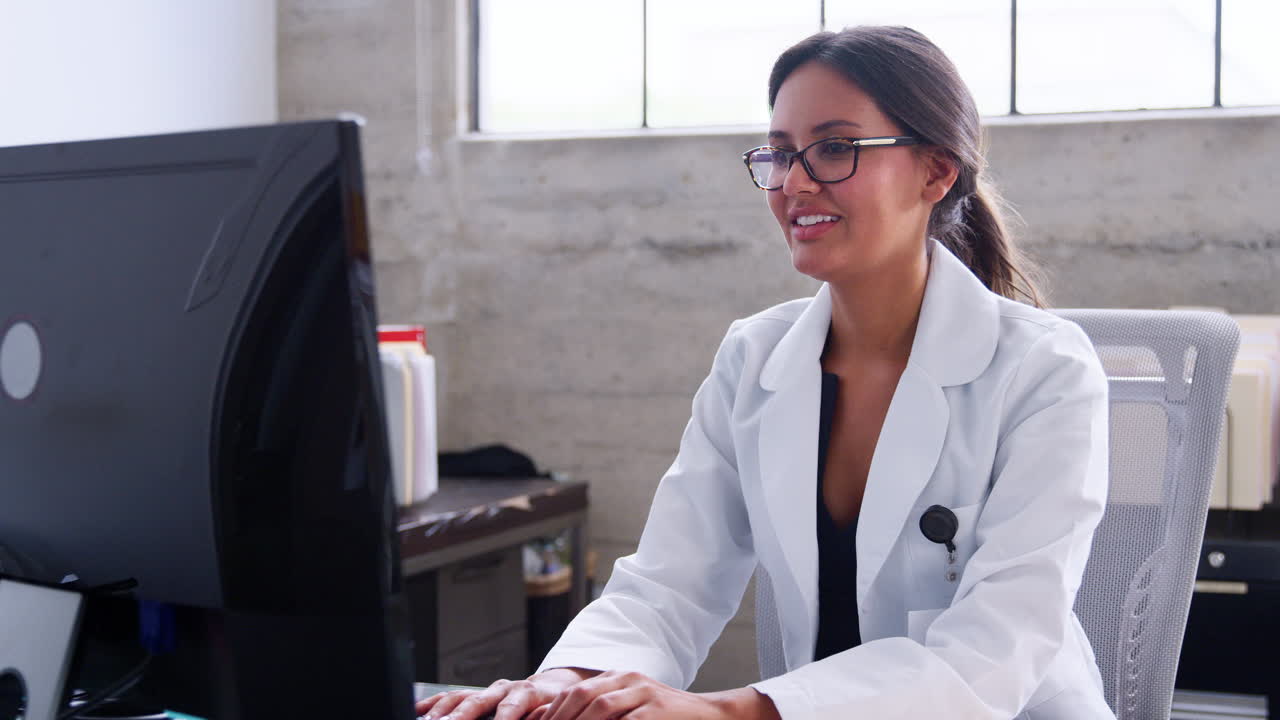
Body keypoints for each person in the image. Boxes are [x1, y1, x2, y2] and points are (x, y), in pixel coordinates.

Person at [418, 25, 1114, 720]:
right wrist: (564, 686)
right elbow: (668, 587)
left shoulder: (1045, 372)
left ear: (936, 171)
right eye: (779, 155)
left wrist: (727, 712)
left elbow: (994, 650)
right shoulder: (754, 359)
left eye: (836, 148)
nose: (795, 183)